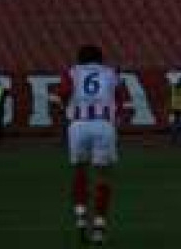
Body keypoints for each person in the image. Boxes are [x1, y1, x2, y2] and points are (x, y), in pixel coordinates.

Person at [49, 44, 120, 245]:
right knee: (103, 176)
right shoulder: (110, 73)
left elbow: (56, 98)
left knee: (80, 171)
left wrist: (66, 116)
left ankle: (80, 218)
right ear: (100, 58)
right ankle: (99, 227)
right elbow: (120, 101)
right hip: (103, 125)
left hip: (78, 125)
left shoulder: (72, 72)